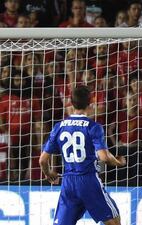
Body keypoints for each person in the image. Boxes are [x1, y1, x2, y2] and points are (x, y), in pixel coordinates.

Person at [39, 86, 126, 225]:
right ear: (90, 103)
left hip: (68, 183)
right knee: (114, 222)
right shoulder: (93, 126)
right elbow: (104, 157)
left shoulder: (59, 126)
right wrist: (119, 162)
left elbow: (43, 160)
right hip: (89, 181)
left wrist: (48, 173)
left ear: (71, 102)